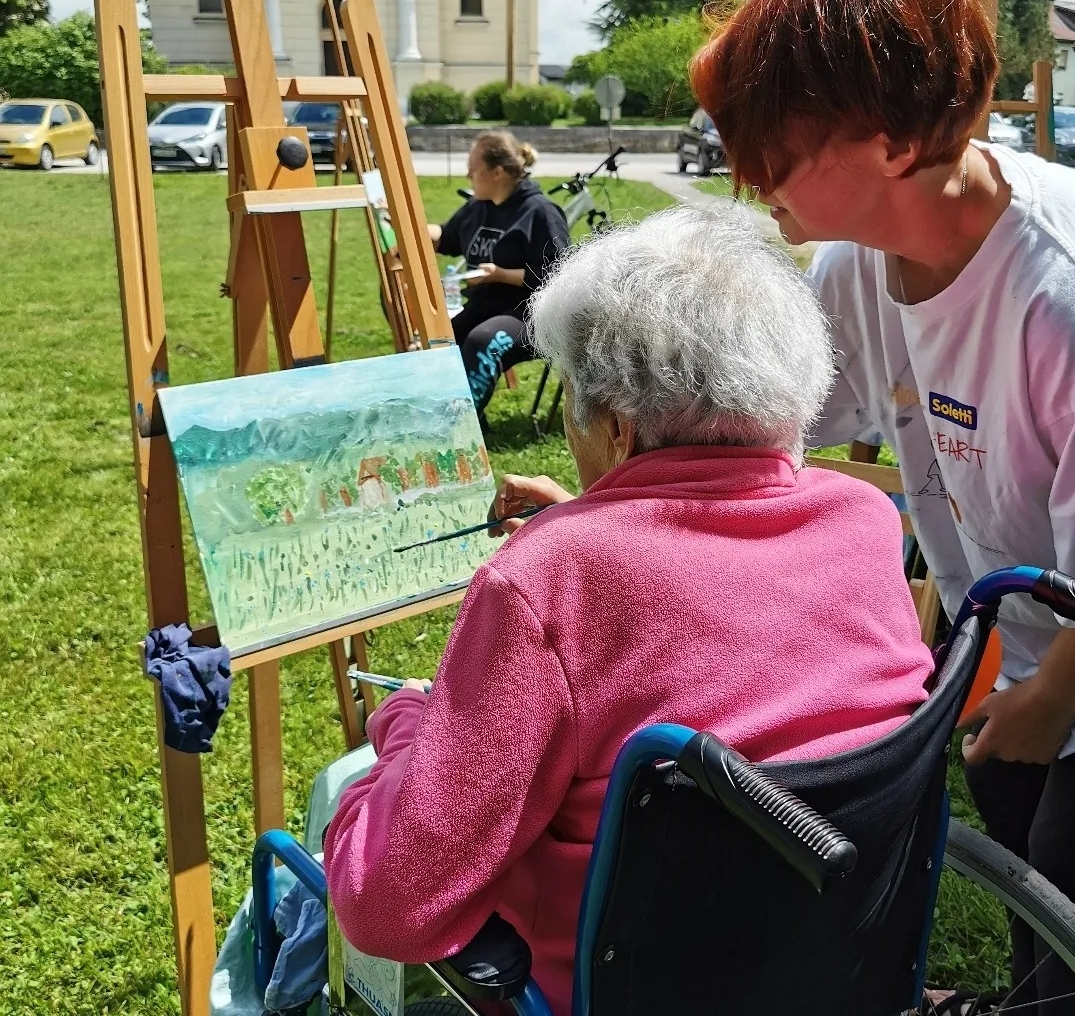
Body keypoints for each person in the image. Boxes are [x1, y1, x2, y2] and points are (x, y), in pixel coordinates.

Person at [323, 204, 935, 1015]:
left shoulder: (549, 579)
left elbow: (389, 906)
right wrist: (592, 523)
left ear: (613, 425)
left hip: (613, 984)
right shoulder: (860, 521)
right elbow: (716, 595)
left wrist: (405, 723)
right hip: (835, 962)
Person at [689, 0, 1075, 1011]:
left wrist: (1057, 690)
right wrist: (613, 509)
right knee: (1026, 867)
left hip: (1060, 657)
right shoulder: (855, 260)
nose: (749, 178)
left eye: (774, 146)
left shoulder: (1055, 299)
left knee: (1061, 871)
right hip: (1016, 640)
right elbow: (762, 432)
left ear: (894, 141)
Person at [428, 132, 570, 418]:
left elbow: (559, 277)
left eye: (473, 169)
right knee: (443, 339)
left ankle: (461, 422)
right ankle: (441, 414)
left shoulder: (541, 213)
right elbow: (446, 237)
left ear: (498, 172)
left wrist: (502, 275)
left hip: (531, 314)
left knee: (483, 341)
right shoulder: (478, 206)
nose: (468, 175)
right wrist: (408, 230)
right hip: (485, 306)